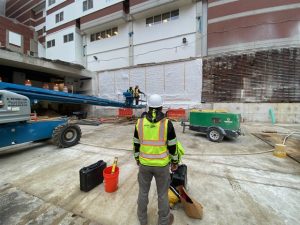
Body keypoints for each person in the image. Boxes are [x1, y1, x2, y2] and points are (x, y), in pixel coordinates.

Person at [133, 94, 179, 225]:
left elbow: (136, 143)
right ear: (161, 106)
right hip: (162, 165)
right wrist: (174, 162)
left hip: (144, 164)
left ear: (148, 105)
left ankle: (142, 220)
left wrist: (137, 158)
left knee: (143, 192)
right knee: (163, 195)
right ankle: (163, 221)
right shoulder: (167, 123)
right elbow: (173, 145)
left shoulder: (139, 123)